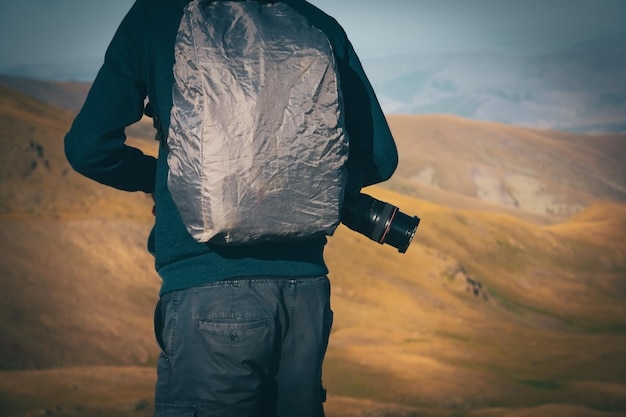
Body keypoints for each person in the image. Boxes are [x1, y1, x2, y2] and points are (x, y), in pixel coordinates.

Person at [64, 0, 398, 416]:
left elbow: (88, 148)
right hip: (306, 298)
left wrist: (167, 179)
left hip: (208, 290)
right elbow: (380, 156)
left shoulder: (157, 14)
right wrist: (296, 185)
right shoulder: (315, 22)